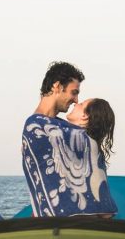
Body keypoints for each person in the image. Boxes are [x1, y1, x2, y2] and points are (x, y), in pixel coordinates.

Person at [22, 62, 117, 217]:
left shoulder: (60, 129)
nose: (76, 100)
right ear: (57, 87)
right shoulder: (38, 126)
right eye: (74, 92)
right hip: (61, 222)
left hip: (73, 222)